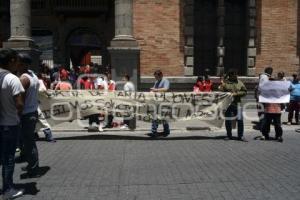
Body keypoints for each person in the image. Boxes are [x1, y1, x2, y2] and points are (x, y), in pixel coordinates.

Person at [0, 49, 25, 199]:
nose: (18, 64)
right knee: (8, 158)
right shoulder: (12, 79)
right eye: (17, 60)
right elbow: (19, 104)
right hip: (9, 123)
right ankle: (8, 189)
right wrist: (18, 115)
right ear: (11, 61)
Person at [18, 53, 40, 176]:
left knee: (29, 142)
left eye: (18, 62)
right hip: (32, 112)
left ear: (22, 64)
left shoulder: (24, 79)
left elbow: (21, 100)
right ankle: (31, 164)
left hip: (25, 114)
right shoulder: (33, 75)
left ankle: (33, 169)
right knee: (29, 141)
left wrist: (17, 115)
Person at [219, 69, 247, 142]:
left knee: (240, 120)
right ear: (230, 76)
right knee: (228, 121)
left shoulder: (240, 83)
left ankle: (240, 136)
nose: (236, 76)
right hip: (228, 105)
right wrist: (222, 85)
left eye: (236, 74)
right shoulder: (225, 83)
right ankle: (229, 135)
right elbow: (220, 92)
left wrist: (236, 94)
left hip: (238, 104)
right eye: (234, 75)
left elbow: (244, 92)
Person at [261, 72, 285, 142]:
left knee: (277, 124)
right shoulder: (266, 89)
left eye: (273, 80)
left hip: (277, 109)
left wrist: (283, 105)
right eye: (270, 80)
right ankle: (265, 135)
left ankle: (279, 136)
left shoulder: (279, 89)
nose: (271, 82)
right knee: (266, 124)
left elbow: (283, 97)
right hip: (268, 109)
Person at [149, 70, 170, 137]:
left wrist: (156, 90)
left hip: (164, 102)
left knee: (163, 117)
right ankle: (154, 131)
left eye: (156, 77)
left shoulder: (165, 81)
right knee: (155, 117)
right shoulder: (157, 82)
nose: (155, 78)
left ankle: (166, 131)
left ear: (161, 75)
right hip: (157, 102)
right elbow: (154, 89)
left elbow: (166, 89)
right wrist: (151, 91)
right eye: (155, 77)